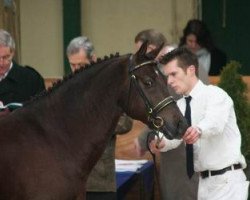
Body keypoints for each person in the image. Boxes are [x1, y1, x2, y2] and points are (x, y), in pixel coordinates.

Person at [149, 47, 249, 200]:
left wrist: (198, 130)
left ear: (190, 70)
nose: (169, 81)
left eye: (173, 74)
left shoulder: (216, 94)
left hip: (228, 182)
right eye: (167, 76)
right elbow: (174, 136)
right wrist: (160, 142)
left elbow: (214, 123)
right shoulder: (179, 105)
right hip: (203, 184)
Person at [134, 29, 200, 200]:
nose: (139, 58)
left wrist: (143, 139)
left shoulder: (177, 67)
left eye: (141, 52)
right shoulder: (165, 68)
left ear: (153, 48)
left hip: (187, 156)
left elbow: (172, 109)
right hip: (173, 152)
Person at [66, 36, 133, 200]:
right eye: (72, 65)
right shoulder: (65, 89)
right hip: (68, 177)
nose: (76, 69)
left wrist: (91, 122)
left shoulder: (112, 86)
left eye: (80, 65)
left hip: (100, 179)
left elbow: (126, 122)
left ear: (93, 59)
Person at [0, 29, 45, 105]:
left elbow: (43, 110)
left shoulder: (31, 79)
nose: (1, 63)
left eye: (5, 57)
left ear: (13, 53)